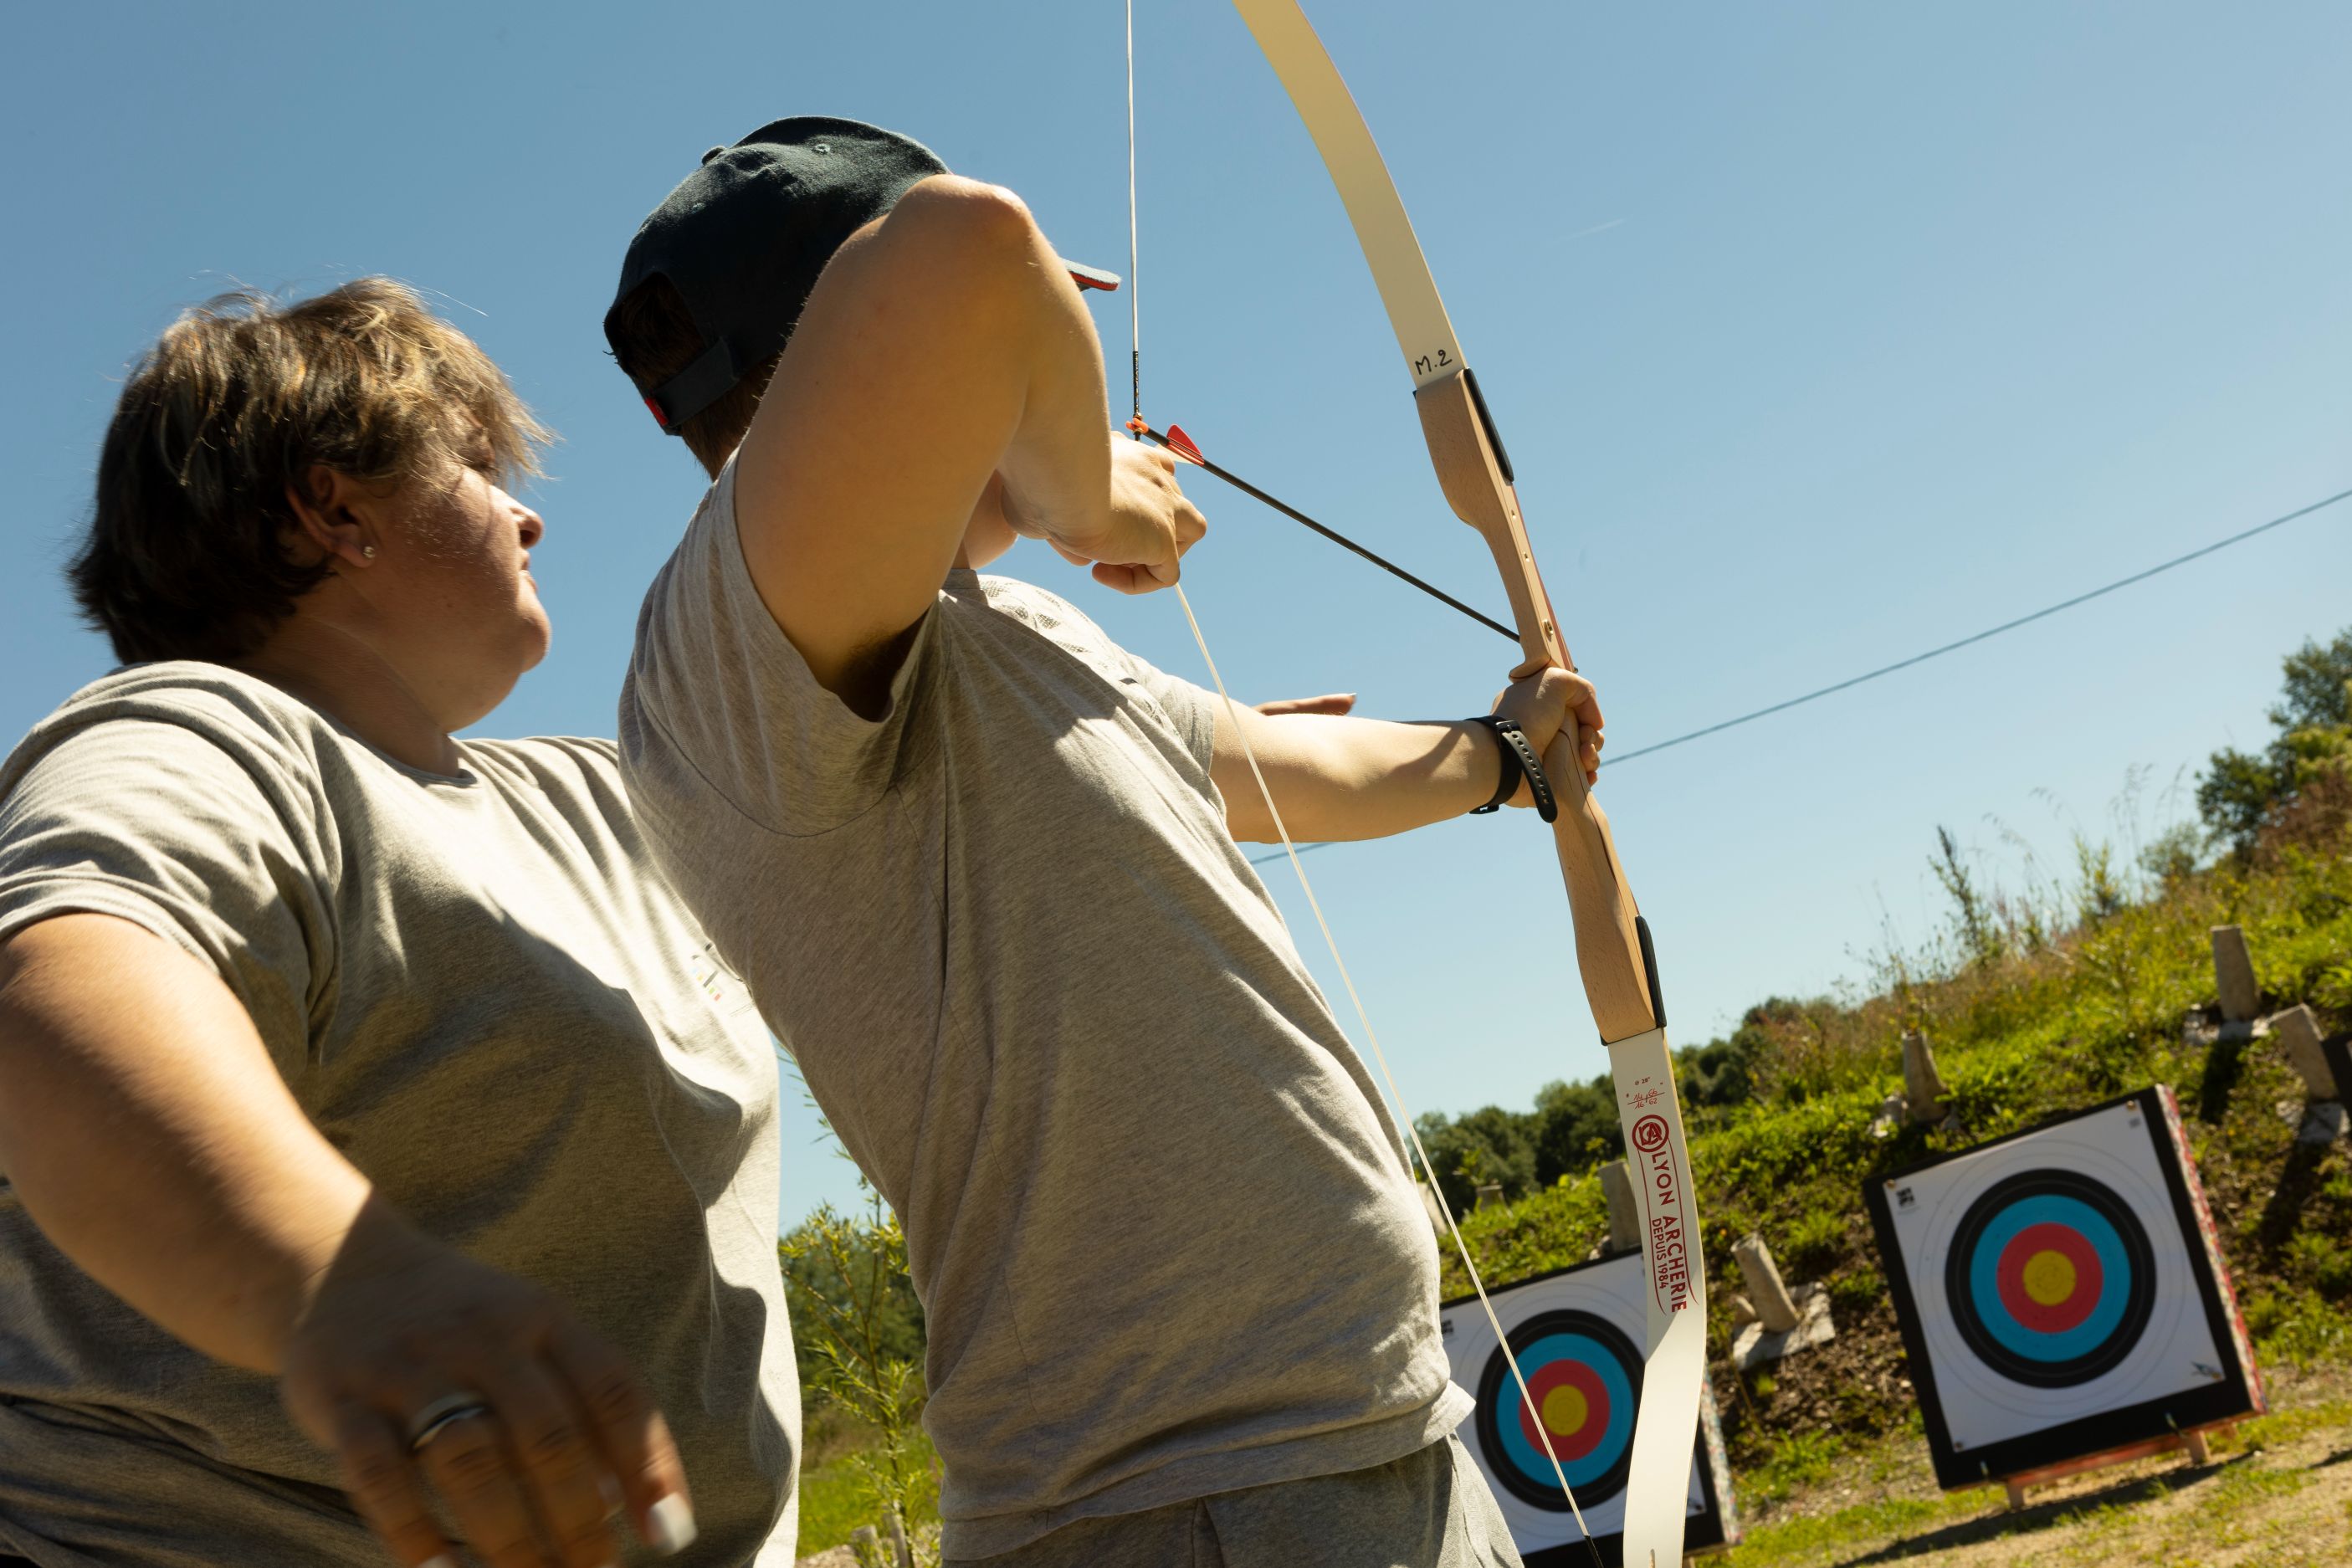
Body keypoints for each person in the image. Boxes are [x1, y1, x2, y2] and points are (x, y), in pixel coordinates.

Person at [604, 119, 1601, 1567]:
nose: (1051, 373)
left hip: (1358, 1432)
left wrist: (1505, 758)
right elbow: (971, 250)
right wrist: (1091, 494)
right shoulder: (724, 657)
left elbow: (1275, 766)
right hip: (1176, 1498)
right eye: (1041, 345)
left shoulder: (1003, 632)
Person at [0, 280, 800, 1568]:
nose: (529, 514)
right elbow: (65, 988)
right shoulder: (198, 739)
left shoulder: (598, 796)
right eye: (476, 465)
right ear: (335, 511)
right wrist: (345, 1276)